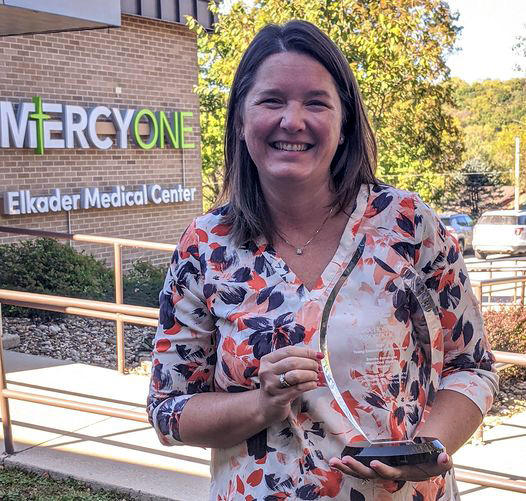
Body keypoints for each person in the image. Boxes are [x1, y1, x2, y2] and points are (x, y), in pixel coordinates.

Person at [147, 20, 498, 500]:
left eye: (316, 102)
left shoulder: (408, 226)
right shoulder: (206, 245)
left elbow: (472, 366)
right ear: (240, 118)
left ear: (344, 120)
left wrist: (429, 446)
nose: (293, 120)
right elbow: (168, 410)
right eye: (272, 100)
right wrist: (262, 404)